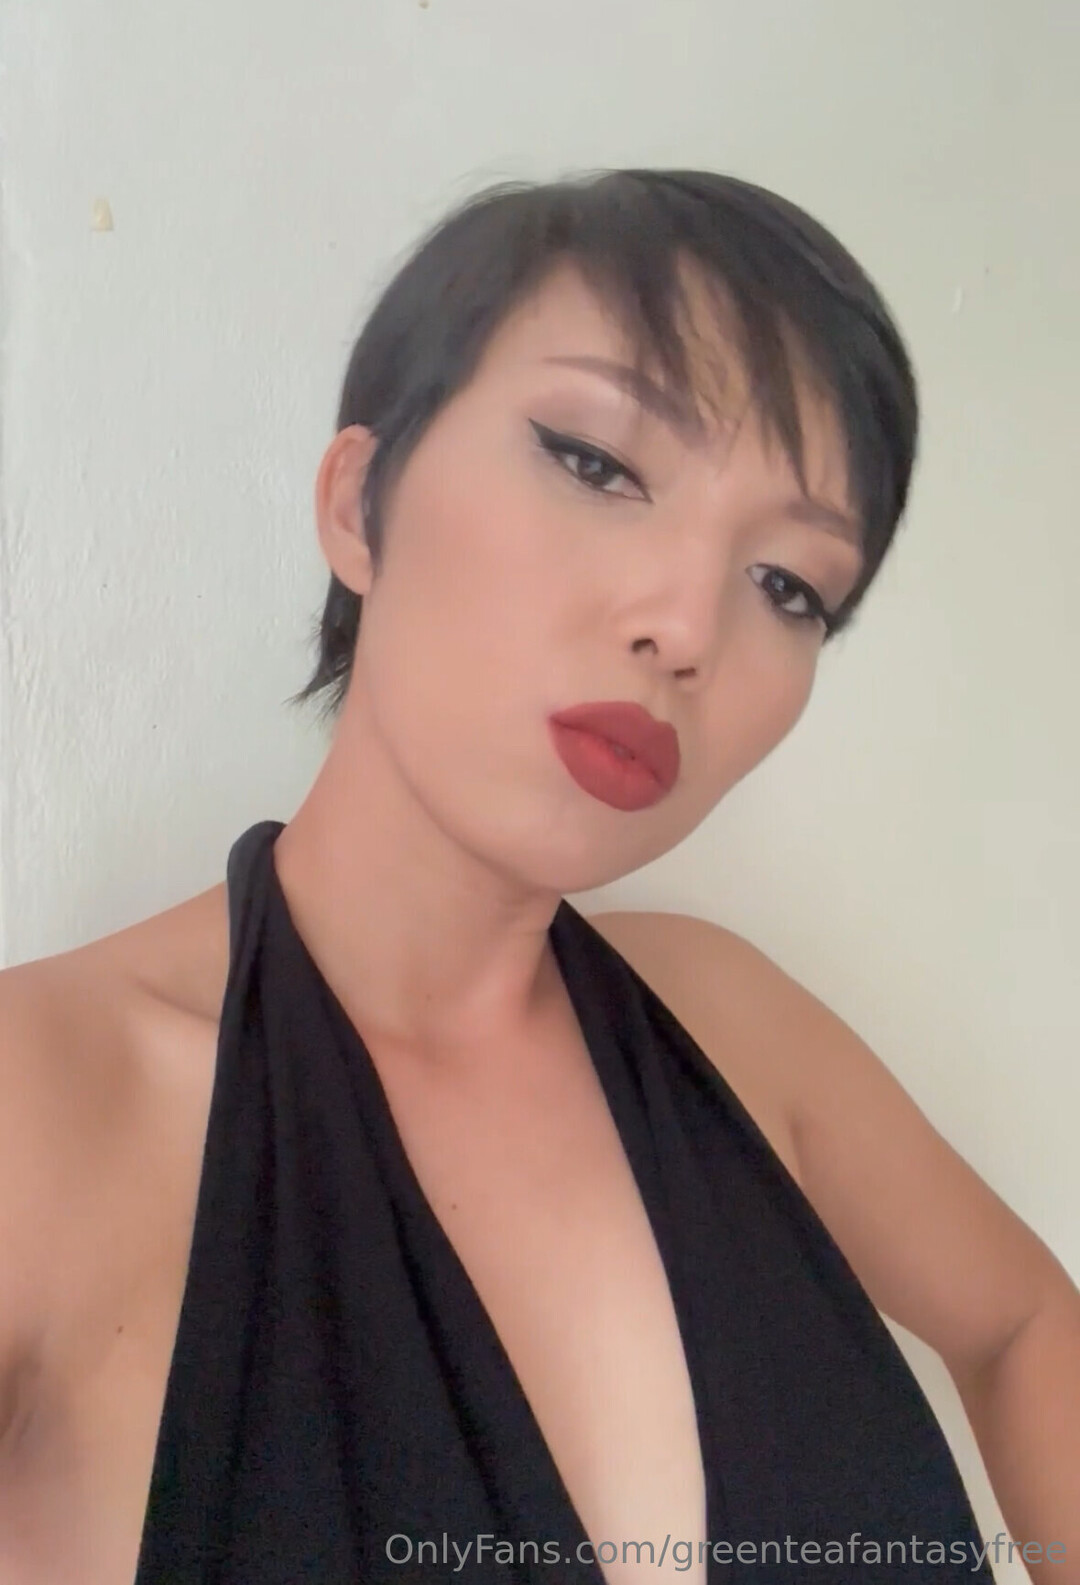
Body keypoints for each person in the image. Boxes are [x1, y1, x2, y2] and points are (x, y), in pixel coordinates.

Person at [0, 169, 1076, 1585]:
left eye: (789, 585)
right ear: (359, 503)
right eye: (597, 462)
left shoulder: (733, 1026)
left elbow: (1025, 1324)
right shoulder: (44, 1108)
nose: (688, 626)